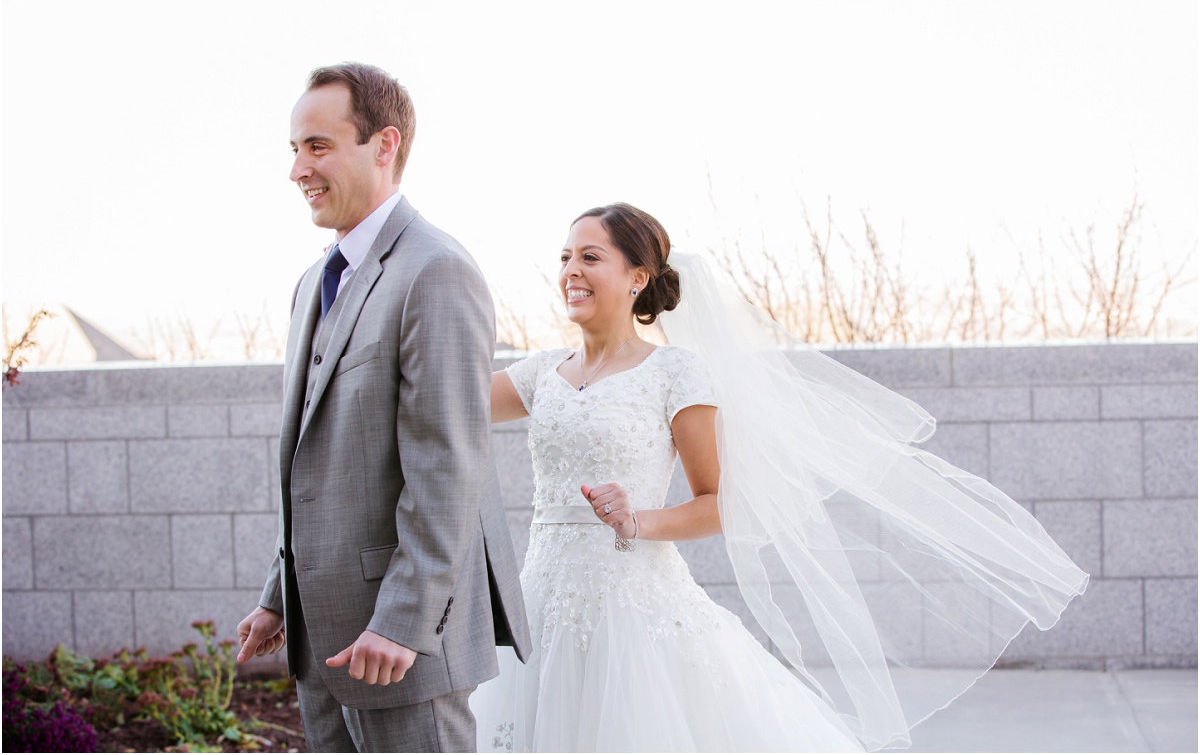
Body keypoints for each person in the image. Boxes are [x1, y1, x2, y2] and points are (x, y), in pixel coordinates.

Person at [469, 202, 1088, 752]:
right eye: (565, 257)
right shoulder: (540, 373)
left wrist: (637, 520)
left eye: (590, 257)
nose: (570, 270)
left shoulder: (674, 373)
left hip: (632, 612)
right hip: (540, 606)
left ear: (636, 278)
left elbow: (718, 503)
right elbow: (446, 399)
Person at [235, 62, 530, 753]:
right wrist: (280, 595)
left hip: (401, 644)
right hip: (324, 640)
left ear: (384, 144)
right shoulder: (313, 282)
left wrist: (402, 620)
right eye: (294, 149)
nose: (297, 170)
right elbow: (316, 466)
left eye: (317, 146)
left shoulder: (437, 270)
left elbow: (447, 467)